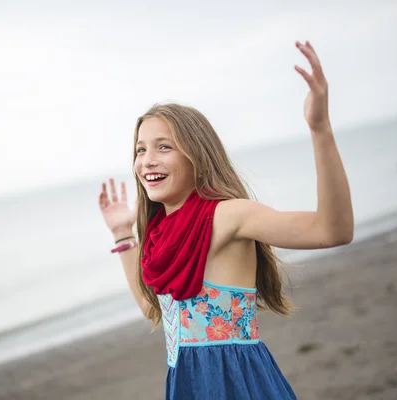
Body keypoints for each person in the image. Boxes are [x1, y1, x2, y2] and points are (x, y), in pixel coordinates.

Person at [98, 40, 353, 399]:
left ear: (196, 155)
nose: (147, 160)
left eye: (163, 147)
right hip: (186, 386)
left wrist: (320, 129)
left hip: (235, 384)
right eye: (141, 149)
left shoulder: (227, 214)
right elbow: (152, 306)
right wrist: (123, 233)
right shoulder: (157, 234)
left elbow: (333, 230)